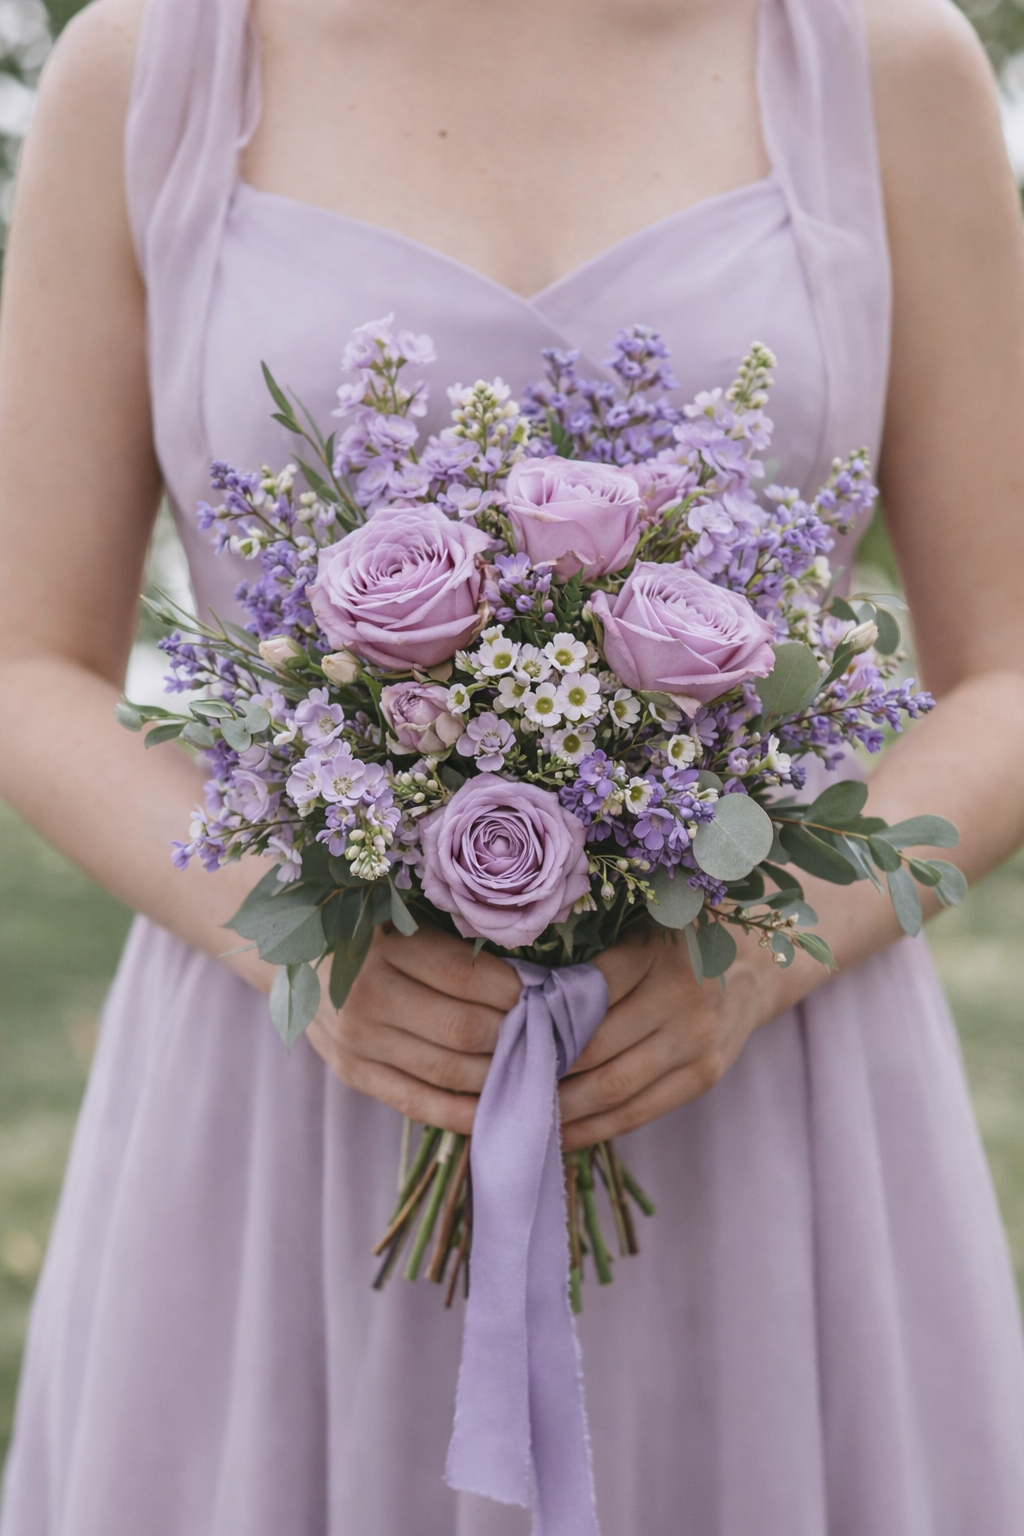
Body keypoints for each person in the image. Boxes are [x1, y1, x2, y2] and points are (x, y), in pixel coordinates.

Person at [2, 0, 1024, 1529]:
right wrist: (298, 942)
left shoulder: (886, 64)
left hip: (751, 1102)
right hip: (292, 1093)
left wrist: (750, 959)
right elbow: (28, 665)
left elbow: (1010, 666)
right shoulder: (147, 71)